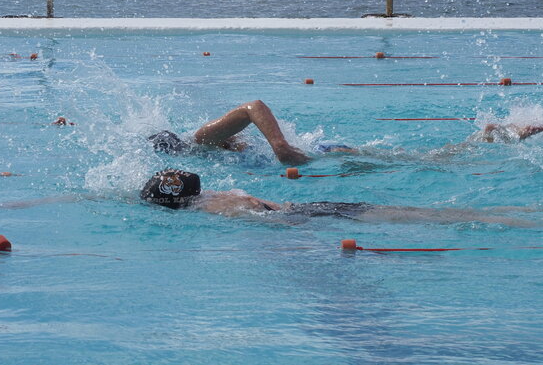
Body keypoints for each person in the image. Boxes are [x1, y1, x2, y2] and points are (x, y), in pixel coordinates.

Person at [140, 169, 534, 227]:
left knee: (420, 214)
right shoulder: (211, 203)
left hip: (312, 211)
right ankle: (515, 217)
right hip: (314, 213)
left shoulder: (201, 199)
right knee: (419, 216)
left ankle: (510, 215)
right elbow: (256, 215)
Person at [148, 100, 314, 165]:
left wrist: (280, 146)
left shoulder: (201, 139)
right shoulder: (205, 156)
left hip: (300, 151)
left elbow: (254, 107)